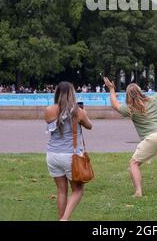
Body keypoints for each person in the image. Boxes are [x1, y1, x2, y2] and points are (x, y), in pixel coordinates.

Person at [104, 59, 157, 197]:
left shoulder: (130, 109)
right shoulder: (155, 98)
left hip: (155, 137)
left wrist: (112, 89)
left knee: (134, 163)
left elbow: (114, 105)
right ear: (140, 91)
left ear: (127, 95)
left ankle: (138, 192)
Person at [45, 81, 92, 221]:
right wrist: (85, 114)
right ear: (72, 94)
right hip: (71, 156)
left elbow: (55, 122)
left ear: (57, 93)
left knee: (61, 190)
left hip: (52, 155)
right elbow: (89, 126)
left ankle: (62, 218)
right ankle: (64, 219)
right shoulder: (78, 111)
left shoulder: (49, 110)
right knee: (78, 190)